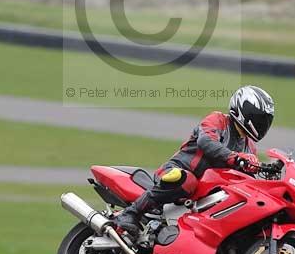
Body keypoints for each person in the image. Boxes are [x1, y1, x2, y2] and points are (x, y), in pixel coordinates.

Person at [115, 85, 275, 238]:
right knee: (186, 180)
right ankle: (131, 213)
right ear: (243, 111)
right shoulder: (218, 120)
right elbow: (206, 142)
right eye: (259, 119)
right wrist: (236, 158)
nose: (262, 125)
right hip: (176, 174)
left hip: (205, 193)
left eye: (265, 121)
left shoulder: (249, 147)